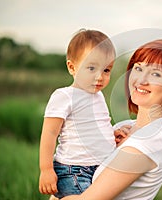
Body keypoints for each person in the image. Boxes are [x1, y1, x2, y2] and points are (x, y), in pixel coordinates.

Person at [62, 39, 162, 200]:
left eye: (156, 74)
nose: (141, 80)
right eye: (138, 68)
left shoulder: (152, 139)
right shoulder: (126, 127)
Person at [38, 29, 117, 199]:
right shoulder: (65, 96)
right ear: (72, 67)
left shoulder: (98, 95)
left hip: (99, 167)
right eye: (91, 68)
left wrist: (111, 135)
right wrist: (46, 170)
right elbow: (49, 134)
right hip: (73, 169)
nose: (100, 77)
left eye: (106, 70)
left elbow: (98, 124)